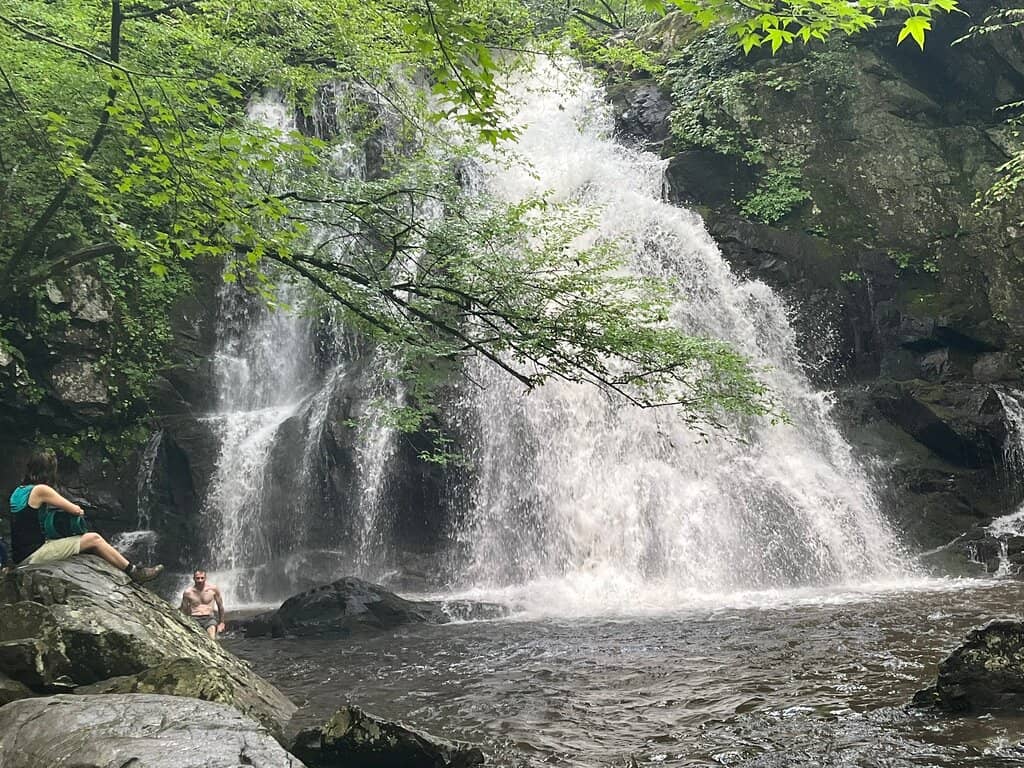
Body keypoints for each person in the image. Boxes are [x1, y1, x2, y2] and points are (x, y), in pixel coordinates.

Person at [9, 449, 163, 582]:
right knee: (94, 539)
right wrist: (78, 511)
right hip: (33, 554)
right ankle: (134, 571)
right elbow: (75, 510)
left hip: (20, 555)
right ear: (48, 471)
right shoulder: (41, 490)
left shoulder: (18, 491)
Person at [180, 569, 226, 639]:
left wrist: (222, 622)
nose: (200, 580)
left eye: (202, 578)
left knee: (212, 636)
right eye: (198, 578)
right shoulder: (188, 592)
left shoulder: (213, 589)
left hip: (209, 618)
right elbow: (183, 609)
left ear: (205, 578)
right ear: (194, 579)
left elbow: (220, 606)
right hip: (194, 618)